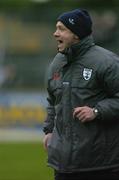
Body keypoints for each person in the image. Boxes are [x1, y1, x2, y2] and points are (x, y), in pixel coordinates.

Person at [43, 8, 119, 180]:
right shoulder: (57, 62)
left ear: (76, 34)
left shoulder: (107, 62)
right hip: (63, 165)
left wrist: (96, 111)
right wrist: (48, 130)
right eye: (56, 28)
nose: (55, 34)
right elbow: (52, 100)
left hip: (100, 165)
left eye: (61, 29)